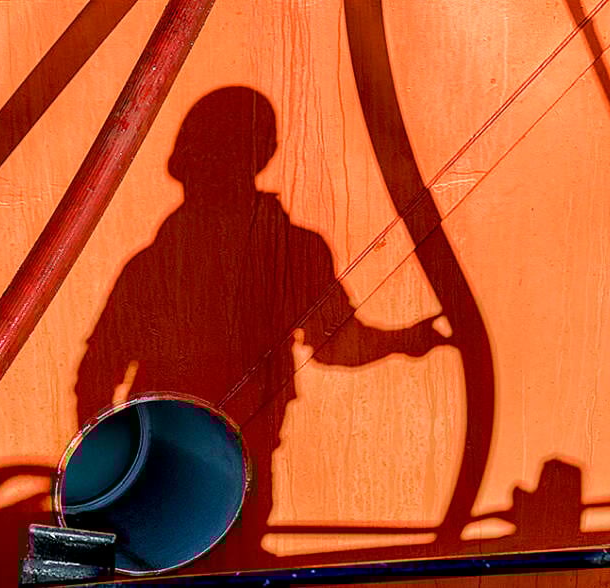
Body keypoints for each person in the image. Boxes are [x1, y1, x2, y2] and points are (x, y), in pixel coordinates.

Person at [73, 86, 449, 566]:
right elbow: (336, 346)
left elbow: (95, 372)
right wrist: (410, 340)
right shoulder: (265, 249)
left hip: (167, 469)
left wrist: (100, 471)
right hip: (179, 469)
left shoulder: (159, 259)